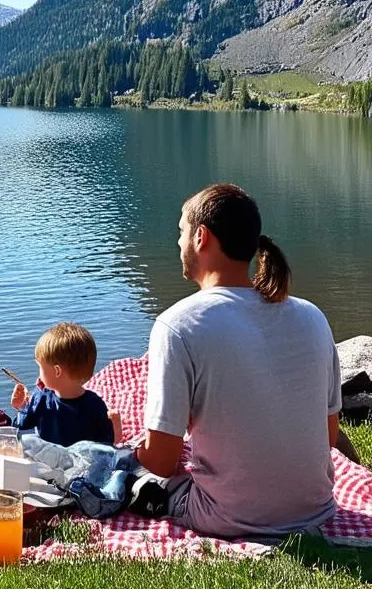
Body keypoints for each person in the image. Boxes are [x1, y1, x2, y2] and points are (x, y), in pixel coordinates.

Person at [134, 183, 342, 538]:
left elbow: (162, 462)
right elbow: (329, 435)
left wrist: (134, 448)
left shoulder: (179, 324)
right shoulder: (311, 316)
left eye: (181, 232)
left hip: (228, 517)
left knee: (128, 477)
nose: (178, 243)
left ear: (201, 237)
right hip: (315, 509)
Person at [9, 322, 121, 446]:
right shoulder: (95, 403)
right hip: (83, 462)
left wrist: (22, 408)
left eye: (41, 367)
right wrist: (22, 407)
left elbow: (22, 426)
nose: (39, 374)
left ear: (57, 371)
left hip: (48, 461)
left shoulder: (42, 398)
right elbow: (106, 441)